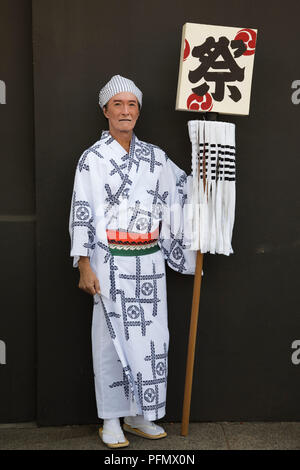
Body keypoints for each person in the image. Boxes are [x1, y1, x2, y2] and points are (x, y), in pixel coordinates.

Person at [69, 75, 199, 448]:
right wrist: (84, 264)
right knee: (110, 342)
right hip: (108, 261)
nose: (125, 111)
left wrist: (209, 179)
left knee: (150, 340)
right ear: (105, 110)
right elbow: (81, 210)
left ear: (139, 111)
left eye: (132, 105)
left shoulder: (155, 157)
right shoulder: (92, 159)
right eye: (118, 105)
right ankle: (110, 418)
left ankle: (141, 413)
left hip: (149, 262)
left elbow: (183, 190)